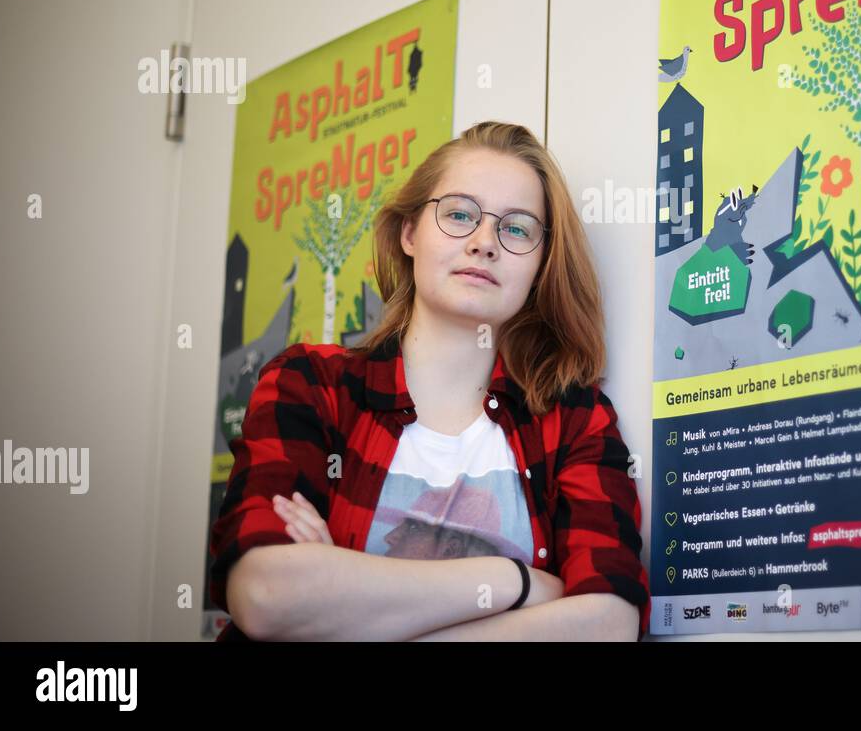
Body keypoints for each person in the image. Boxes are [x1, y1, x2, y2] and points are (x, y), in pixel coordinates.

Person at [207, 121, 650, 640]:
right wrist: (516, 583)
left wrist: (346, 600)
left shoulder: (574, 420)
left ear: (540, 265)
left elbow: (608, 623)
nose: (485, 243)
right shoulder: (312, 385)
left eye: (517, 228)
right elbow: (266, 596)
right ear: (410, 233)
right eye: (459, 214)